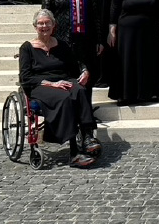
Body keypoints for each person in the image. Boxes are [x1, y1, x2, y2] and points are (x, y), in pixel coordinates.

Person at [19, 9, 101, 168]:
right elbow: (26, 77)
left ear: (53, 25)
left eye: (47, 23)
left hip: (63, 79)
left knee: (80, 90)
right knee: (64, 97)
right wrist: (52, 84)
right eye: (41, 23)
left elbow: (75, 66)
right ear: (35, 26)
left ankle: (88, 136)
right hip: (40, 85)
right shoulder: (27, 48)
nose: (44, 26)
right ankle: (74, 153)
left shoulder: (61, 45)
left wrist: (84, 71)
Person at [42, 0, 101, 102]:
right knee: (67, 74)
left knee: (87, 75)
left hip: (86, 40)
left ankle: (86, 111)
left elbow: (95, 16)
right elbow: (45, 16)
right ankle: (69, 110)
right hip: (62, 40)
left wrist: (99, 39)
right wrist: (45, 40)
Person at [108, 0, 159, 105]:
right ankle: (126, 95)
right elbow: (114, 12)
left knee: (148, 61)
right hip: (126, 34)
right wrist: (111, 31)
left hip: (149, 32)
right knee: (127, 62)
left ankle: (148, 94)